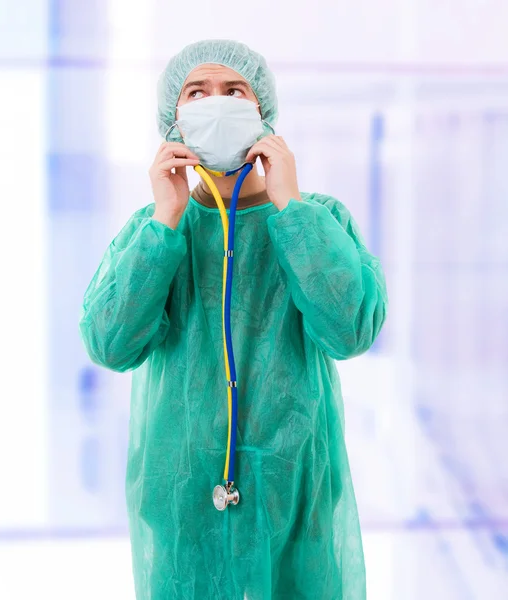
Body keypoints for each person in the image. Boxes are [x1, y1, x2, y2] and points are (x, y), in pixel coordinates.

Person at [79, 39, 388, 600]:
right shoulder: (154, 231)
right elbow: (109, 343)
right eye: (196, 93)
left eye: (234, 91)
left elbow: (350, 331)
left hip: (296, 499)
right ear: (172, 119)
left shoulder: (319, 219)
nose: (215, 104)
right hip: (180, 510)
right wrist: (166, 219)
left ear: (262, 113)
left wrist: (291, 210)